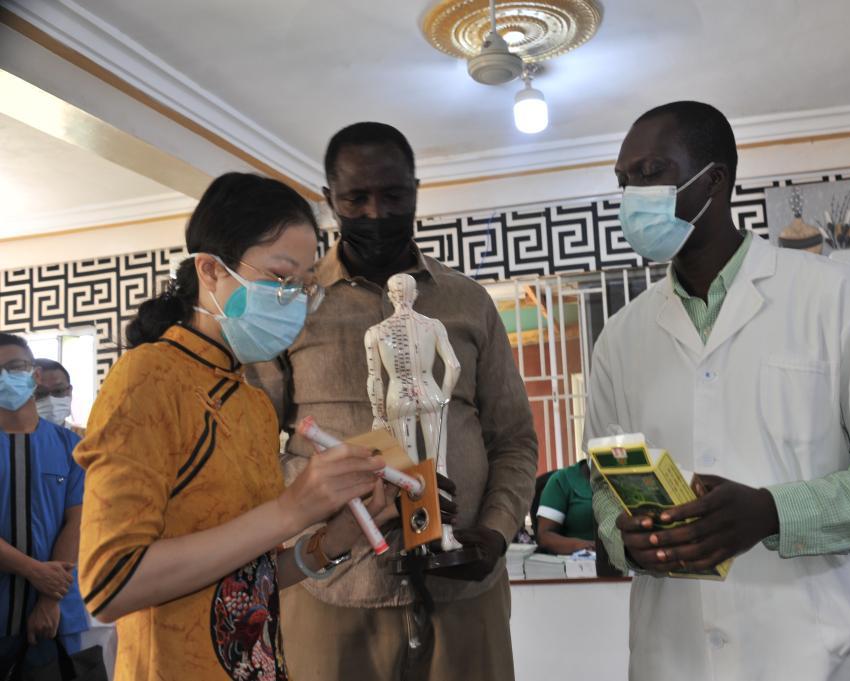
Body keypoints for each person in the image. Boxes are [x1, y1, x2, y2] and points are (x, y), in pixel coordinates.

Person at [586, 101, 850, 681]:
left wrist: (771, 513)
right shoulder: (619, 338)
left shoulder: (841, 299)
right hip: (673, 657)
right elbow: (603, 486)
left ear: (714, 180)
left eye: (650, 173)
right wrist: (623, 541)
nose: (631, 196)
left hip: (821, 655)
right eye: (624, 181)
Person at [73, 172, 395, 681]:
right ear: (209, 269)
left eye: (304, 285)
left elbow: (247, 580)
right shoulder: (146, 378)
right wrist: (293, 509)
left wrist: (331, 539)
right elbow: (110, 583)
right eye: (280, 277)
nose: (293, 300)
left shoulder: (252, 403)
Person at [248, 122, 538, 681]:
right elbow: (254, 446)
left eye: (394, 196)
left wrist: (497, 531)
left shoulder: (467, 302)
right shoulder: (293, 307)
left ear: (416, 191)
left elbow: (515, 438)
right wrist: (334, 493)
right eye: (357, 198)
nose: (376, 213)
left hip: (465, 588)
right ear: (330, 200)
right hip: (333, 587)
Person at [0, 333, 89, 675]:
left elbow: (76, 522)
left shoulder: (72, 447)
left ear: (33, 375)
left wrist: (51, 599)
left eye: (15, 367)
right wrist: (33, 571)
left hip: (53, 618)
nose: (6, 378)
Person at [535, 459, 595, 554]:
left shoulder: (624, 478)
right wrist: (592, 547)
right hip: (579, 563)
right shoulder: (562, 480)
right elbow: (544, 537)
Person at [34, 358, 82, 435]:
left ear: (70, 392)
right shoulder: (13, 442)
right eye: (40, 393)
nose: (50, 401)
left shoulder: (87, 440)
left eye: (58, 391)